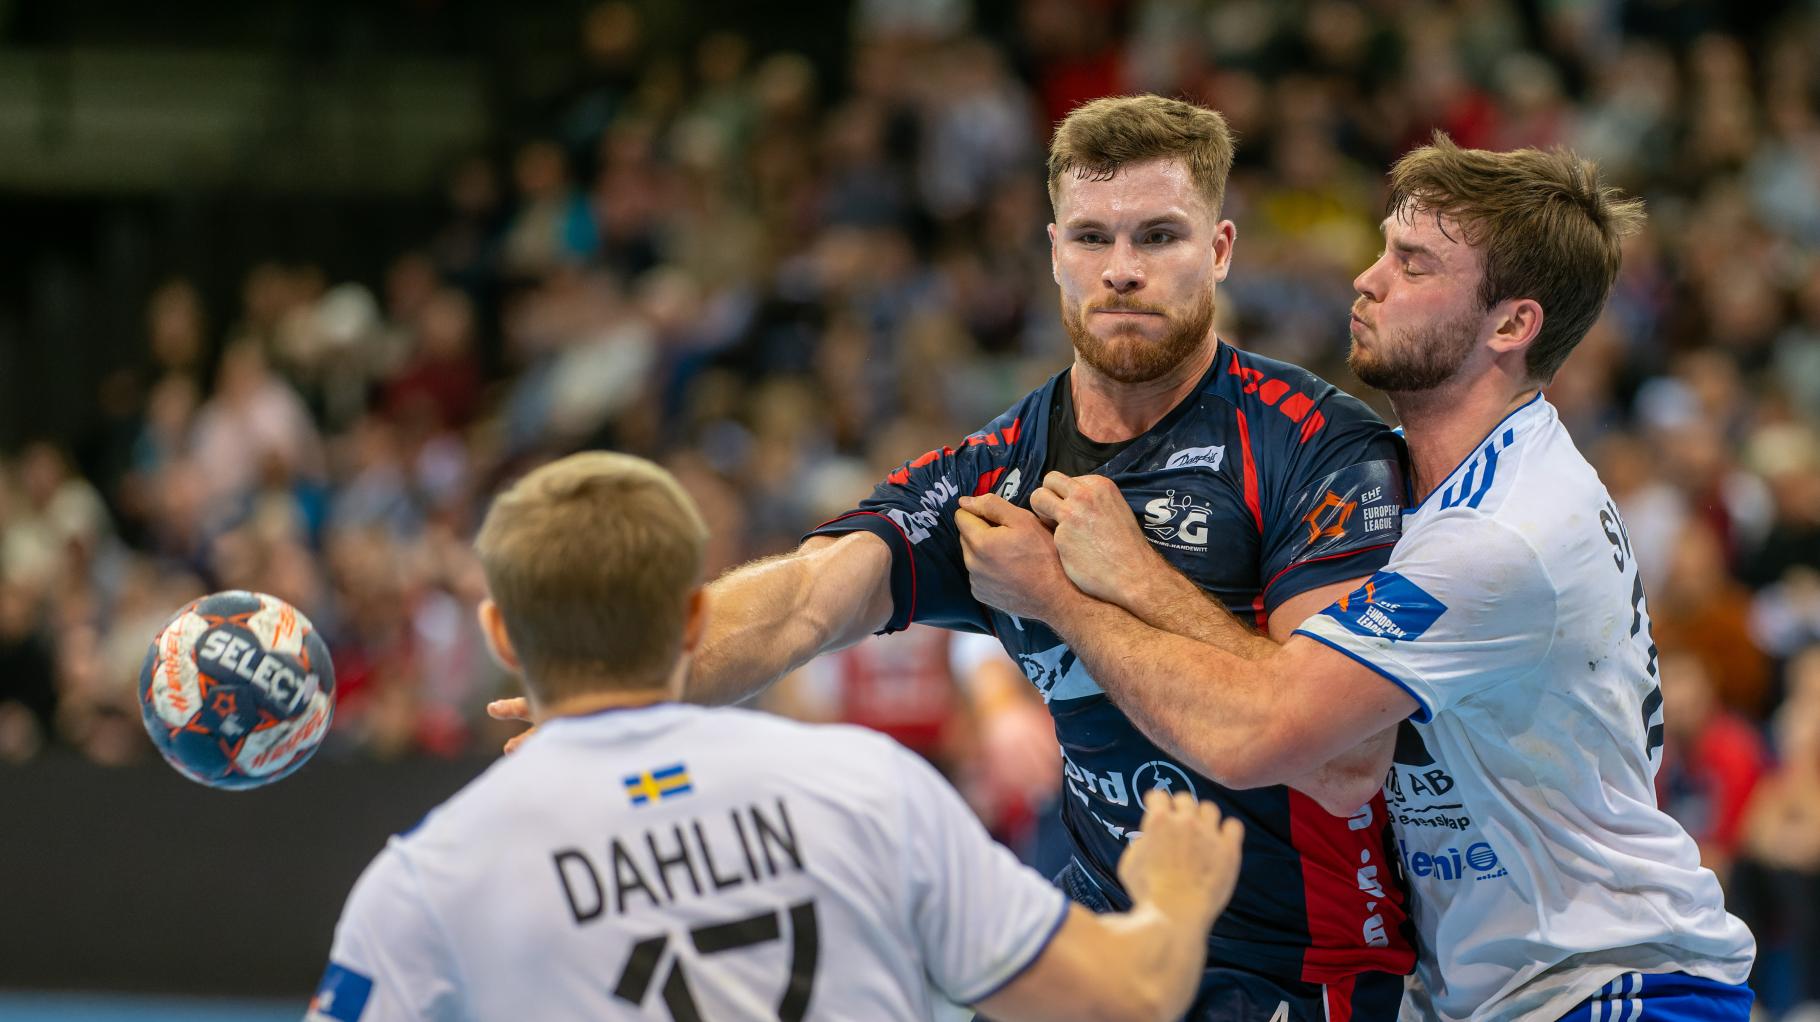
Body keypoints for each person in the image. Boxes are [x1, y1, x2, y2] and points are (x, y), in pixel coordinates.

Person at [494, 94, 1419, 1019]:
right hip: (1100, 950)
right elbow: (808, 599)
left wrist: (1072, 593)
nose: (1122, 271)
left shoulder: (1320, 447)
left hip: (1300, 968)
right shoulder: (995, 470)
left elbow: (1340, 759)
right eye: (1093, 239)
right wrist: (625, 688)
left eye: (1158, 237)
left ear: (1218, 250)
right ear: (1054, 251)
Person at [953, 135, 1758, 1021]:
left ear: (1512, 325)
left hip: (1617, 985)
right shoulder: (1438, 480)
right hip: (1505, 990)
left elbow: (1263, 730)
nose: (1366, 279)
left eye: (1412, 264)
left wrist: (1074, 592)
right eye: (1382, 248)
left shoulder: (1501, 533)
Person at [313, 452, 1244, 1022]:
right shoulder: (870, 788)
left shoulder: (430, 878)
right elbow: (1125, 998)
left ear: (501, 637)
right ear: (691, 621)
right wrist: (1172, 901)